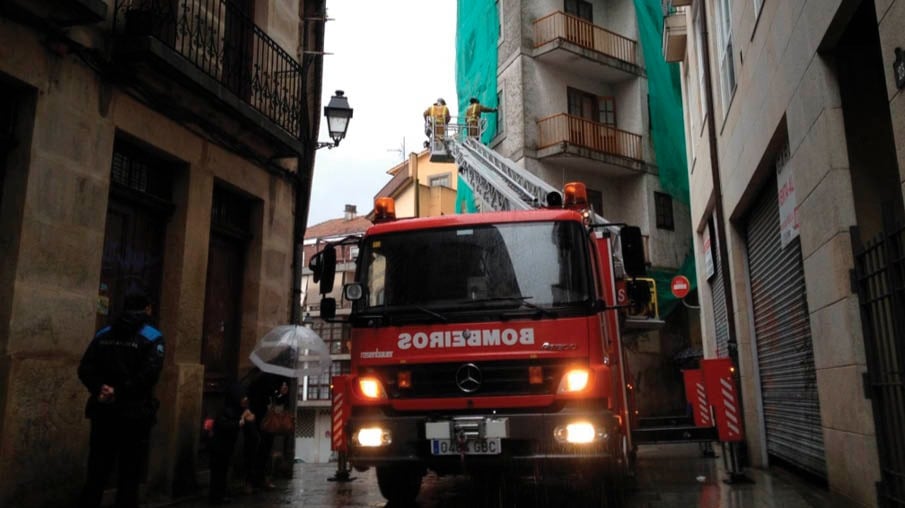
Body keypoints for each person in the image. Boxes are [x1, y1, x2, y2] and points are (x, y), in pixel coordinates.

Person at [77, 290, 165, 508]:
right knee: (130, 474)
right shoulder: (152, 336)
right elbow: (149, 374)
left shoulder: (104, 333)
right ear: (147, 309)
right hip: (133, 414)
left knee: (97, 471)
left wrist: (101, 388)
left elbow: (85, 367)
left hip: (103, 410)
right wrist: (121, 391)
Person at [208, 383, 255, 505]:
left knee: (223, 472)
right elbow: (224, 425)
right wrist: (241, 421)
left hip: (227, 447)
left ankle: (221, 494)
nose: (245, 401)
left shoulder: (239, 410)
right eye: (243, 398)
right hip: (219, 447)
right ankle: (215, 496)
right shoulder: (227, 410)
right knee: (218, 473)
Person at [246, 371, 291, 491]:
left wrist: (280, 394)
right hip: (258, 419)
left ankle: (260, 479)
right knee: (255, 450)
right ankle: (251, 480)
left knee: (265, 450)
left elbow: (281, 401)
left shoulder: (280, 379)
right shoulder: (261, 380)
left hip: (269, 422)